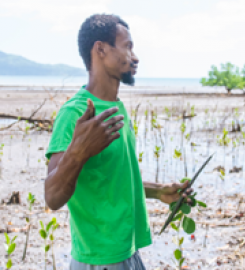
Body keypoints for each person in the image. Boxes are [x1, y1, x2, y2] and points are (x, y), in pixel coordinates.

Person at [44, 14, 192, 270]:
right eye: (127, 46)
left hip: (128, 252)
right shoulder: (74, 113)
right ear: (100, 49)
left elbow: (113, 178)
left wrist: (158, 191)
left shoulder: (117, 108)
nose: (134, 57)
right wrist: (78, 152)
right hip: (99, 260)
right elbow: (52, 197)